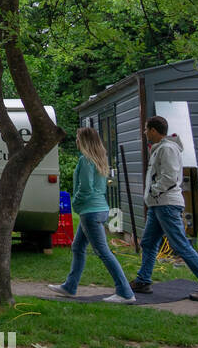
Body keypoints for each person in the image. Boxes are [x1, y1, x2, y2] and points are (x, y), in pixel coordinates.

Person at [130, 115, 198, 301]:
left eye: (145, 129)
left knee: (180, 245)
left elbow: (170, 177)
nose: (144, 133)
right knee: (149, 243)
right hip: (158, 204)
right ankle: (143, 280)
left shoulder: (167, 149)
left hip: (166, 204)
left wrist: (153, 191)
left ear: (153, 130)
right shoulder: (160, 148)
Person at [48, 128, 135, 303]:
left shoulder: (85, 160)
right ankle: (70, 286)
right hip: (100, 209)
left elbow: (86, 188)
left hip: (90, 212)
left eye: (78, 138)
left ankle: (125, 292)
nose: (76, 141)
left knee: (103, 251)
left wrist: (76, 202)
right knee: (78, 247)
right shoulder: (100, 160)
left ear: (84, 141)